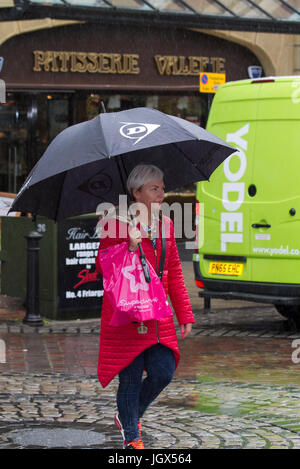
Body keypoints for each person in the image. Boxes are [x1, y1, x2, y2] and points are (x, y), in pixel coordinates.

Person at [95, 164, 194, 449]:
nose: (162, 193)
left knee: (163, 372)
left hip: (157, 312)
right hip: (126, 313)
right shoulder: (115, 223)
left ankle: (128, 414)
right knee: (130, 378)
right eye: (155, 188)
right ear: (136, 192)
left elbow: (173, 269)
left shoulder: (167, 224)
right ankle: (132, 438)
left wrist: (184, 313)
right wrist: (127, 245)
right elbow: (103, 269)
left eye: (162, 187)